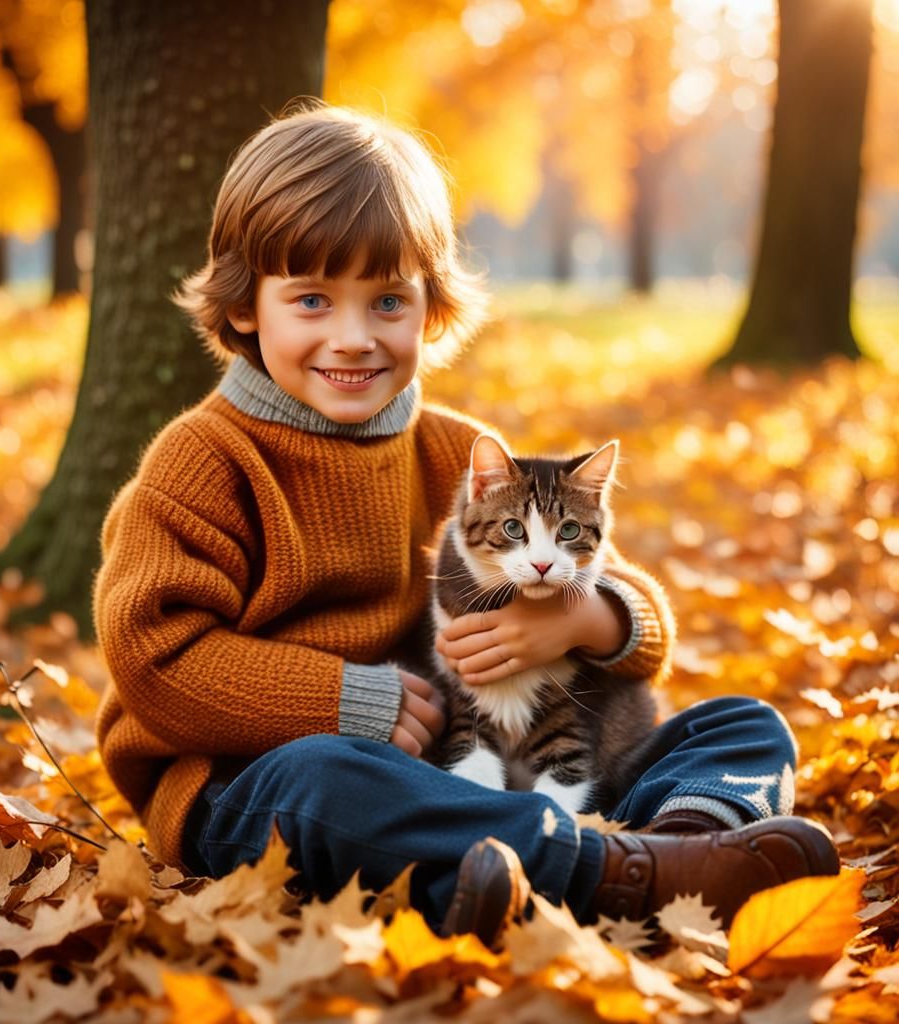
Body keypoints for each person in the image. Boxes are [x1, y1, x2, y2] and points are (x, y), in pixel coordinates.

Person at [92, 99, 838, 948]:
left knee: (741, 726)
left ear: (429, 308)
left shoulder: (457, 454)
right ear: (242, 308)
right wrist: (346, 699)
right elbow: (155, 661)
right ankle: (612, 878)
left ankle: (679, 850)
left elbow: (635, 621)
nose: (353, 337)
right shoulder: (207, 461)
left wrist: (586, 618)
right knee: (328, 783)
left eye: (386, 302)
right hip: (250, 788)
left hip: (483, 771)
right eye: (310, 300)